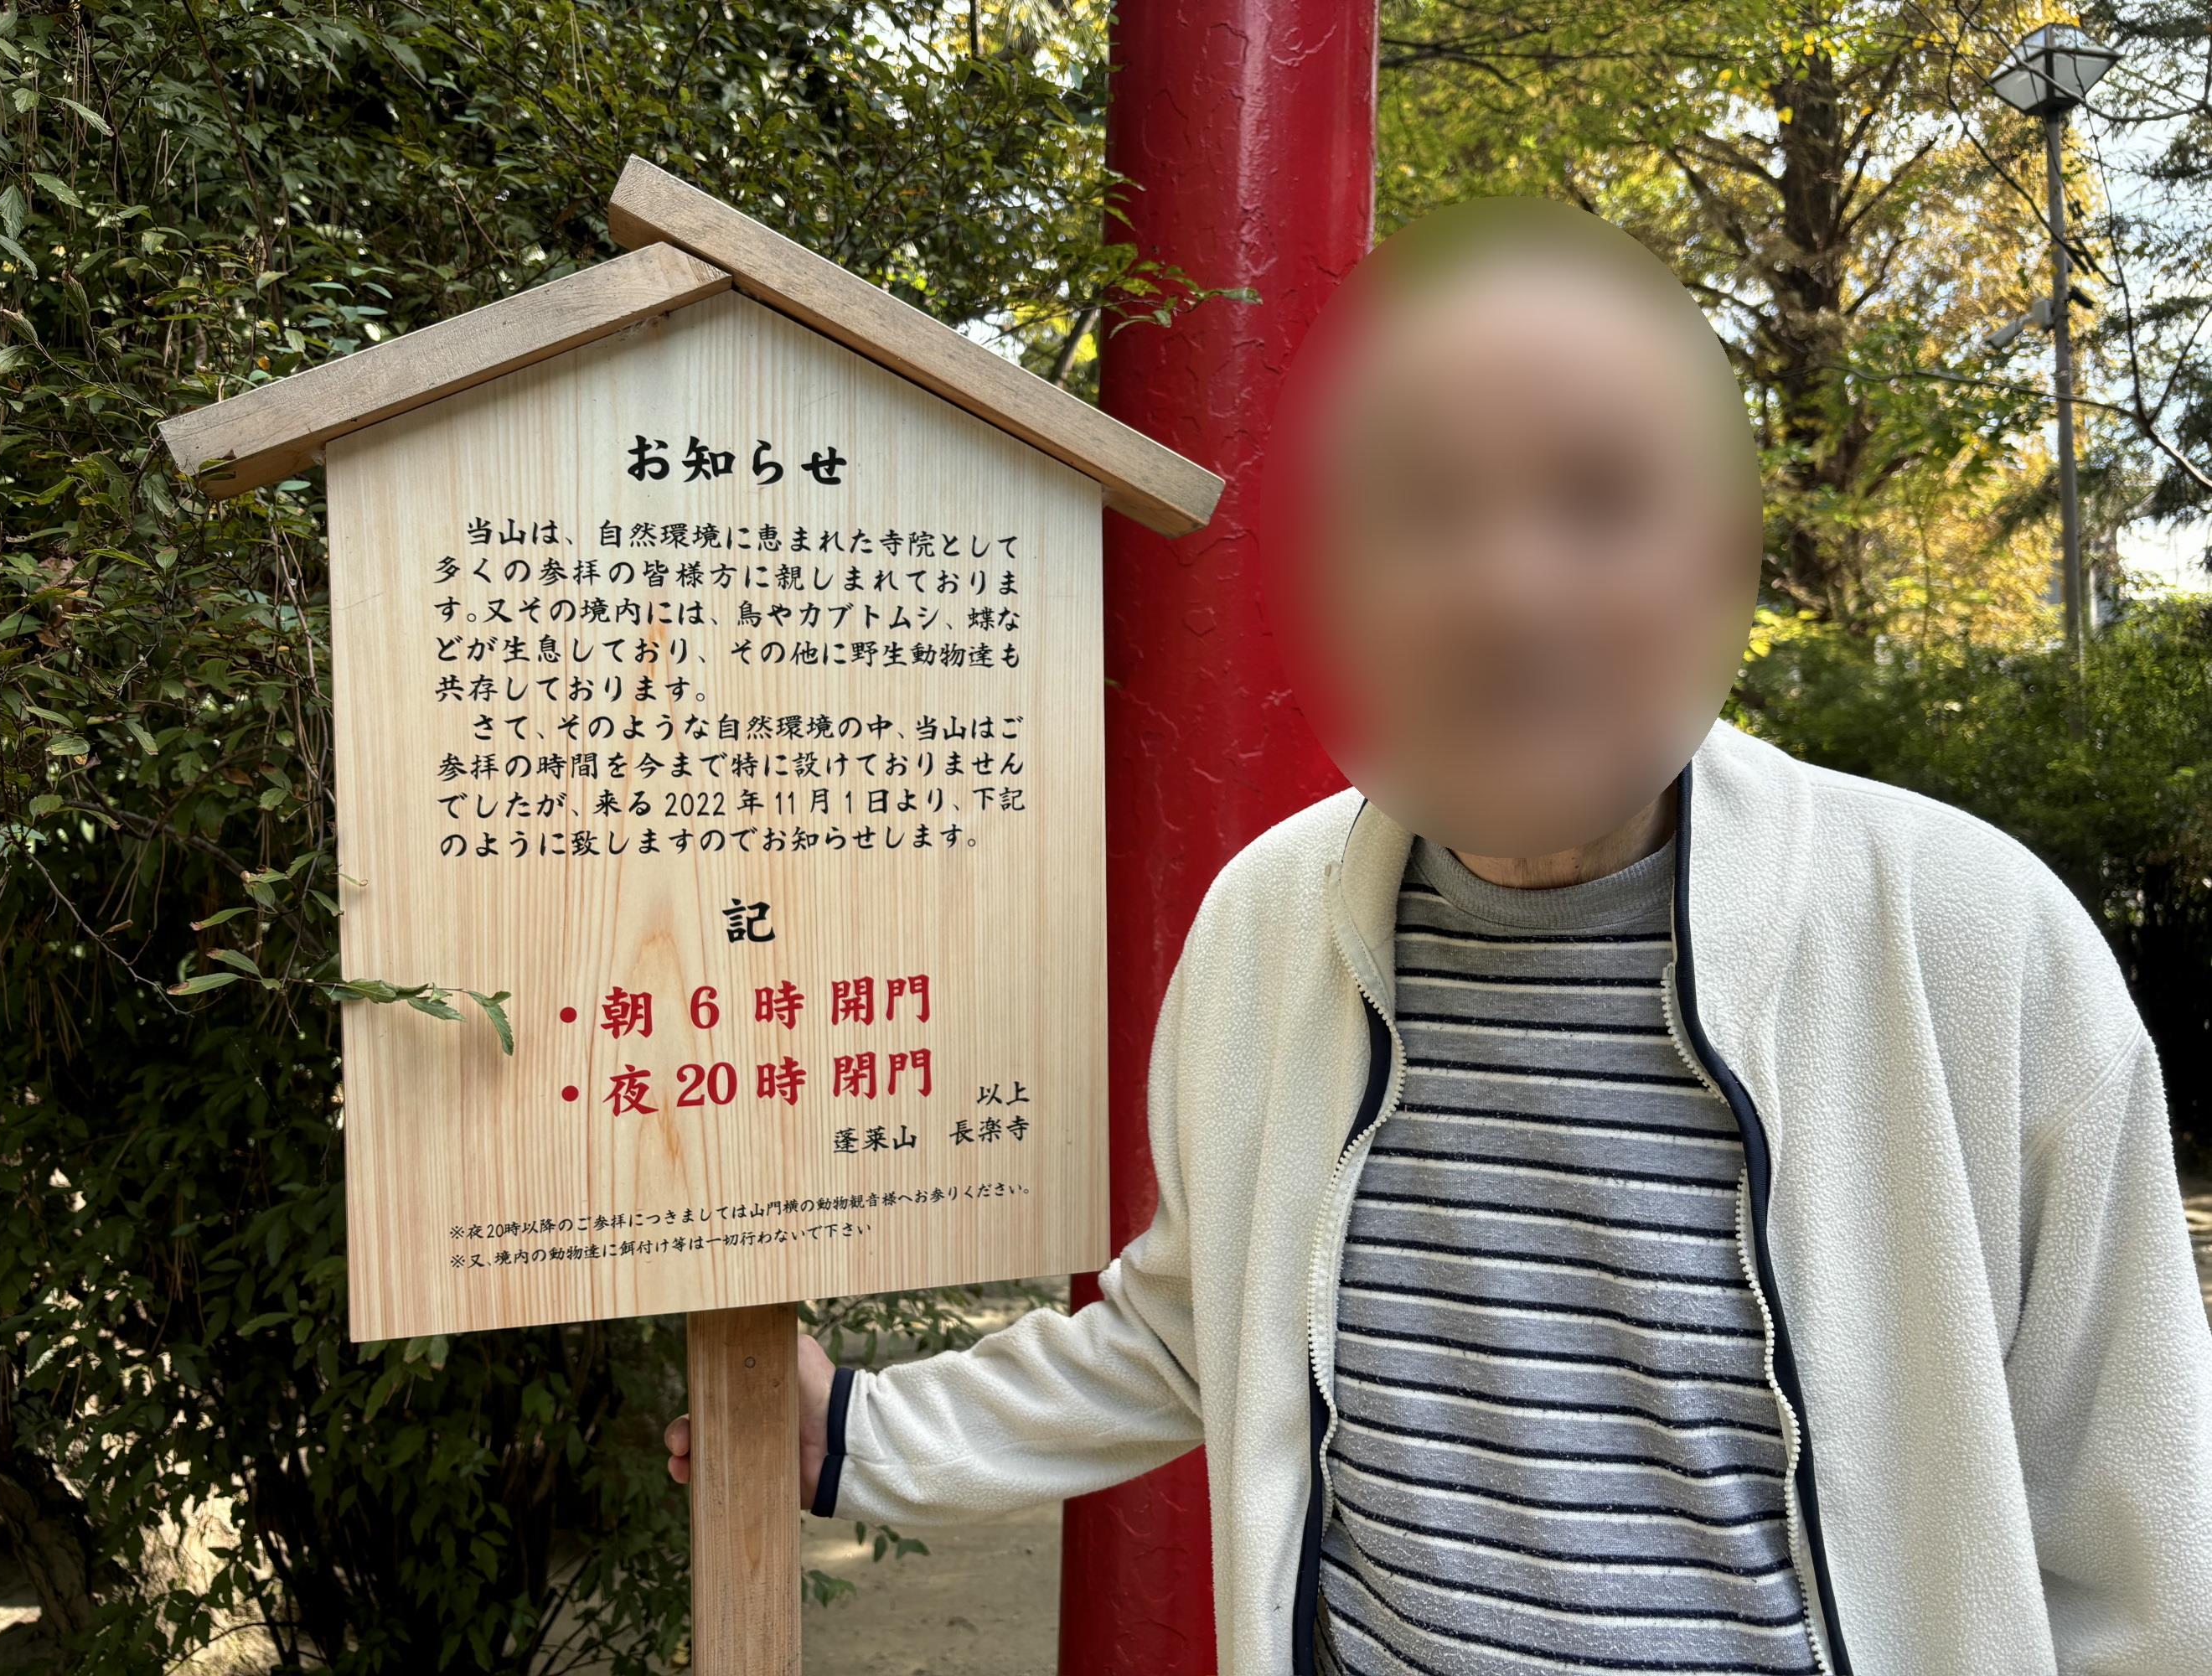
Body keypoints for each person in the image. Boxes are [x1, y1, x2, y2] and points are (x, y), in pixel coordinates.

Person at [664, 201, 2212, 1675]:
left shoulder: (1971, 944)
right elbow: (1197, 1327)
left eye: (1599, 500)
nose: (1511, 587)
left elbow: (2142, 1556)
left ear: (1718, 550)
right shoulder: (1268, 927)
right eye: (1424, 511)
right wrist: (856, 1435)